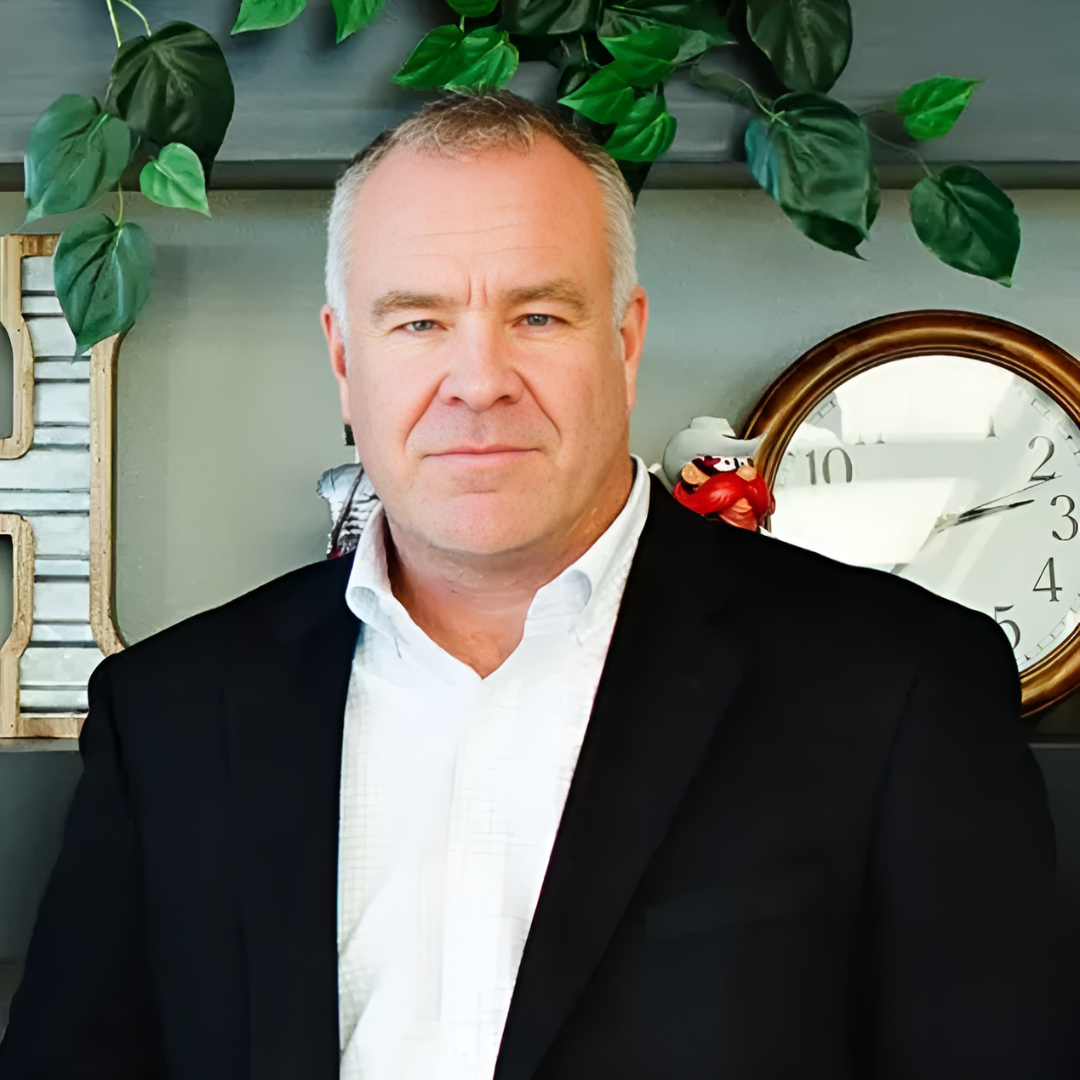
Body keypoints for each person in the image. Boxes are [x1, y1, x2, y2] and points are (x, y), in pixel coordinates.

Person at [0, 92, 1076, 1080]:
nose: (478, 381)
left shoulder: (899, 688)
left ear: (626, 339)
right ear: (344, 358)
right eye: (417, 321)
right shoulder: (171, 714)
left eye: (540, 316)